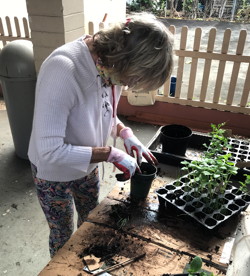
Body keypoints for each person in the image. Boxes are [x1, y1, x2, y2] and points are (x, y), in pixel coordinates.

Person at [28, 12, 173, 257]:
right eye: (131, 78)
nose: (126, 85)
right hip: (54, 174)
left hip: (89, 164)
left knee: (90, 224)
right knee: (63, 236)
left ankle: (88, 266)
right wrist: (109, 153)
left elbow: (103, 113)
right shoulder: (64, 69)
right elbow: (49, 151)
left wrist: (125, 133)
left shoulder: (109, 64)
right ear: (123, 55)